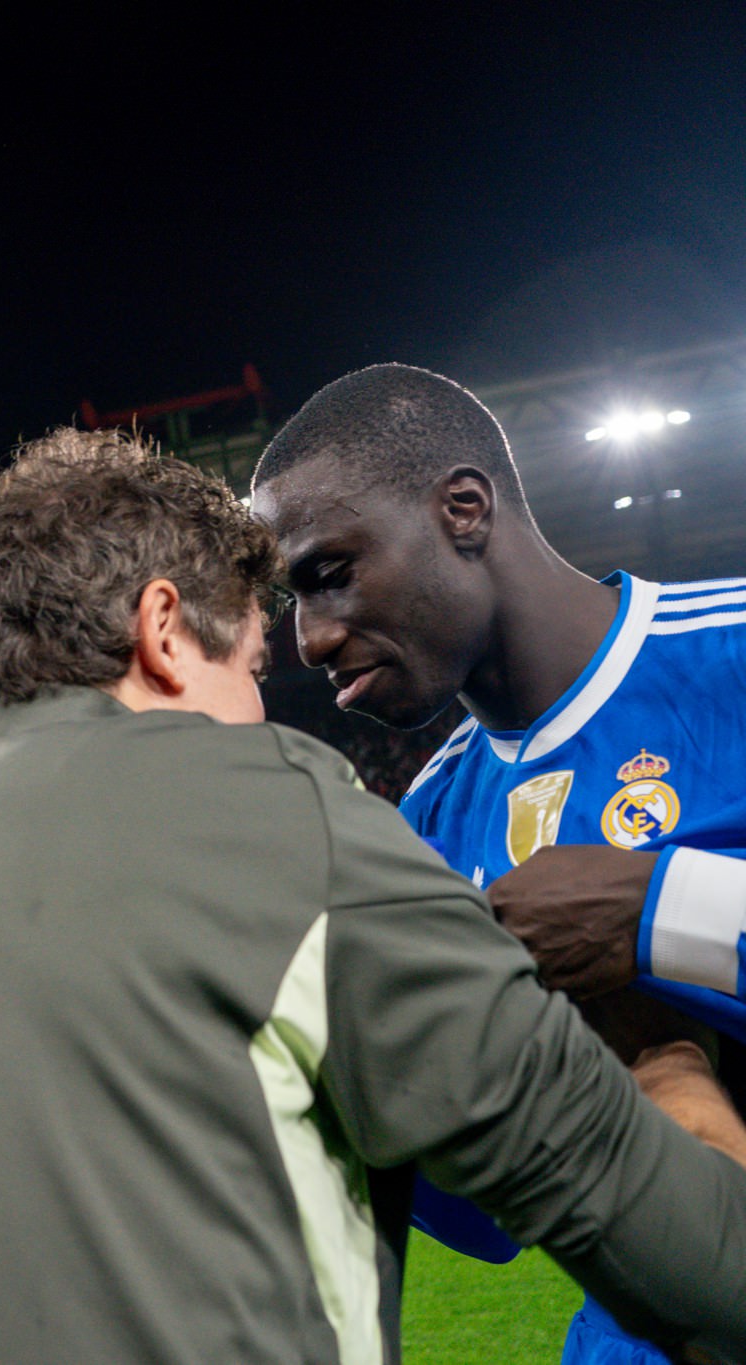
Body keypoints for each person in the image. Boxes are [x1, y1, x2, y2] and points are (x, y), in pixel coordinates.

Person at [0, 428, 746, 1364]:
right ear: (164, 630)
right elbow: (704, 1268)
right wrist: (665, 1066)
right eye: (257, 666)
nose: (283, 692)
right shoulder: (282, 822)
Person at [250, 362, 746, 1362]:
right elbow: (486, 1223)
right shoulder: (418, 825)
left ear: (462, 511)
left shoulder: (729, 652)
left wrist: (660, 910)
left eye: (328, 572)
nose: (306, 640)